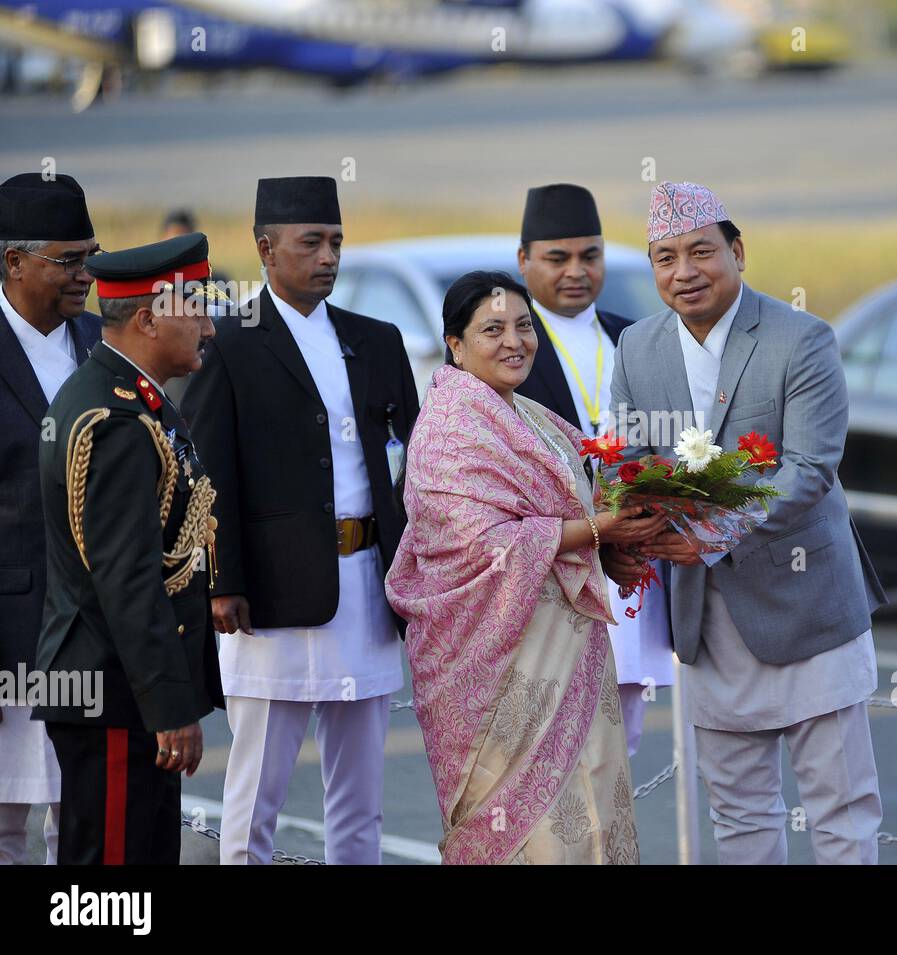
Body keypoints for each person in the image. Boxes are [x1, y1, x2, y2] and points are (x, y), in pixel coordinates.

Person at [608, 181, 888, 865]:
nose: (685, 272)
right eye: (665, 257)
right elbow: (630, 460)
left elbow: (809, 468)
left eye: (702, 251)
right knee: (738, 812)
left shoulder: (803, 337)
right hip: (706, 616)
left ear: (737, 251)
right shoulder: (638, 347)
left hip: (808, 604)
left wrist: (709, 531)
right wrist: (628, 531)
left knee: (840, 809)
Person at [386, 271, 666, 864]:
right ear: (456, 345)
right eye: (493, 329)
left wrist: (610, 544)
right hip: (496, 660)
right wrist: (597, 531)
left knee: (593, 803)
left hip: (569, 648)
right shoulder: (447, 430)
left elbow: (571, 509)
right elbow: (485, 548)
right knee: (529, 832)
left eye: (523, 325)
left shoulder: (530, 415)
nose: (515, 341)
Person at [182, 176, 420, 865]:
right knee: (256, 795)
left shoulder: (376, 340)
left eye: (336, 241)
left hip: (367, 586)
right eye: (310, 242)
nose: (328, 256)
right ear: (265, 248)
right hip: (270, 596)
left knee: (360, 799)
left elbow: (413, 460)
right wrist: (222, 580)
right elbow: (208, 473)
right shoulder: (228, 341)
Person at [33, 232, 224, 864]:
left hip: (124, 689)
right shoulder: (114, 421)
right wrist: (169, 706)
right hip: (116, 693)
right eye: (195, 306)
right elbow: (129, 578)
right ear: (148, 318)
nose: (209, 325)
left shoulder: (134, 399)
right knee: (112, 878)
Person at [513, 182, 672, 756]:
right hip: (556, 569)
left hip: (631, 566)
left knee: (621, 745)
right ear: (524, 260)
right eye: (558, 258)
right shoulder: (508, 342)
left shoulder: (639, 335)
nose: (576, 271)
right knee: (554, 753)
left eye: (590, 255)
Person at [0, 173, 101, 865]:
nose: (85, 275)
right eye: (67, 260)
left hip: (96, 635)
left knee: (87, 821)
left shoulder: (103, 343)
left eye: (90, 256)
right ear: (13, 262)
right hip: (11, 637)